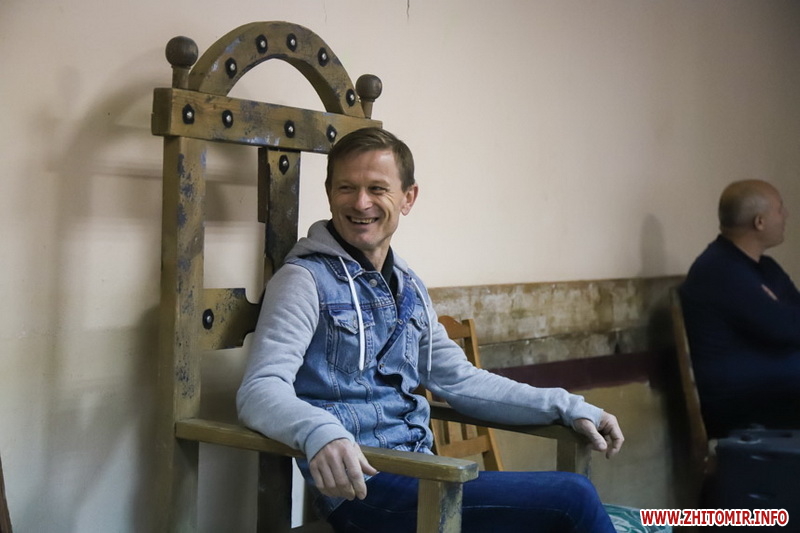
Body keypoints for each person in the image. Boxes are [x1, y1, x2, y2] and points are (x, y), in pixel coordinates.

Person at [237, 127, 624, 532]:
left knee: (560, 511)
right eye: (346, 187)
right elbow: (259, 390)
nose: (361, 202)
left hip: (425, 472)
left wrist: (567, 406)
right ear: (330, 193)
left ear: (408, 198)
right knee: (572, 497)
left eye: (377, 188)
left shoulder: (408, 287)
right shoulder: (303, 280)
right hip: (365, 491)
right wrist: (321, 433)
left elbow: (461, 380)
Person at [679, 179, 800, 438]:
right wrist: (782, 313)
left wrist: (782, 312)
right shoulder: (718, 270)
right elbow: (787, 329)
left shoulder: (767, 268)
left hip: (777, 392)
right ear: (759, 222)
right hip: (742, 406)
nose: (786, 215)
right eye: (780, 209)